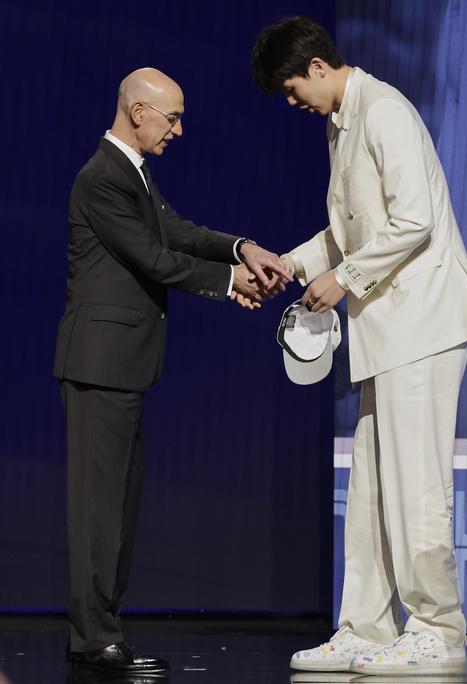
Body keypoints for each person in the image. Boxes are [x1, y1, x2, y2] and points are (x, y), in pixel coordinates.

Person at [250, 17, 467, 676]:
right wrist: (289, 266)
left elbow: (414, 220)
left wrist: (344, 278)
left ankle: (438, 630)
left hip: (425, 321)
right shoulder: (343, 122)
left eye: (292, 88)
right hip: (389, 326)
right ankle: (365, 627)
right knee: (371, 489)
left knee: (416, 482)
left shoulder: (384, 111)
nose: (293, 102)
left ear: (317, 67)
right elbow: (349, 231)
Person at [54, 67, 290, 674]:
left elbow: (176, 231)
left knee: (120, 507)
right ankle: (93, 639)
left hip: (123, 367)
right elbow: (153, 258)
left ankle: (101, 634)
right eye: (172, 117)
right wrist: (230, 282)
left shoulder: (132, 172)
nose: (179, 130)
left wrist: (241, 248)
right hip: (99, 365)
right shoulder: (102, 177)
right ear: (138, 111)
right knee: (99, 511)